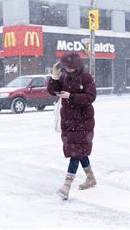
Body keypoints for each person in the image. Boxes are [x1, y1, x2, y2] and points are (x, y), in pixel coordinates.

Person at [47, 52, 97, 200]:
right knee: (79, 151)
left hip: (83, 121)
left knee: (75, 152)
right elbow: (52, 91)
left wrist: (71, 96)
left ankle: (66, 186)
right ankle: (91, 178)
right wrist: (54, 77)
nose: (67, 70)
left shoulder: (85, 77)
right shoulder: (64, 76)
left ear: (76, 66)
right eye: (65, 67)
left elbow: (91, 97)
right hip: (68, 121)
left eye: (70, 67)